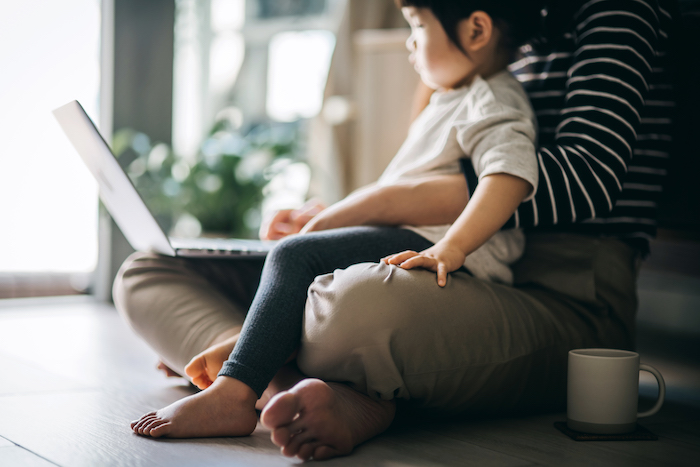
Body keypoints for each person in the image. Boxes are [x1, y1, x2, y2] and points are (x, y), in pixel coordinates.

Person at [117, 0, 675, 461]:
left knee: (347, 302)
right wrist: (335, 215)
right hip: (435, 254)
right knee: (148, 271)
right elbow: (426, 181)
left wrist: (381, 213)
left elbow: (567, 177)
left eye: (415, 26)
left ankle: (247, 373)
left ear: (477, 29)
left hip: (551, 286)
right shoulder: (471, 68)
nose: (411, 41)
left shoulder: (557, 49)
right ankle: (294, 384)